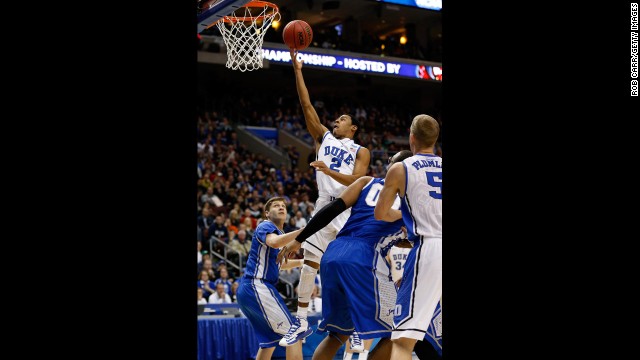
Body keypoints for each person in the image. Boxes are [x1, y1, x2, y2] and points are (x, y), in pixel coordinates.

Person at [278, 150, 415, 360]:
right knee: (398, 330)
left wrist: (299, 239)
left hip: (334, 253)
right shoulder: (410, 200)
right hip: (364, 258)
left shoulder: (366, 181)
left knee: (338, 333)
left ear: (390, 165)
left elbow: (331, 209)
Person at [280, 48, 371, 347]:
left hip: (347, 208)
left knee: (348, 266)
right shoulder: (324, 137)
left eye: (343, 118)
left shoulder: (361, 150)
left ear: (353, 128)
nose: (337, 120)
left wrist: (329, 170)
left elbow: (358, 181)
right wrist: (298, 71)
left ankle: (357, 323)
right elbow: (306, 104)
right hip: (324, 204)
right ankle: (301, 321)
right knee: (310, 263)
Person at [374, 114, 442, 360]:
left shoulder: (401, 168)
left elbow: (380, 213)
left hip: (428, 248)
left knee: (403, 339)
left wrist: (403, 216)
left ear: (411, 138)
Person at [236, 197, 308, 359]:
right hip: (257, 286)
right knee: (294, 333)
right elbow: (274, 243)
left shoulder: (281, 234)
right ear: (267, 213)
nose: (281, 207)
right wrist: (304, 231)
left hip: (248, 290)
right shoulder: (266, 226)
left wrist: (304, 262)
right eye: (276, 206)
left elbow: (280, 264)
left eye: (283, 206)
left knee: (269, 343)